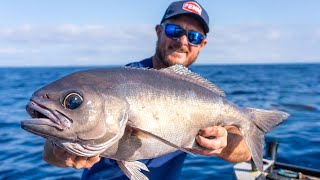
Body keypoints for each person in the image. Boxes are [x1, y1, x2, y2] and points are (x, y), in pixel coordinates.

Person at [43, 0, 251, 179]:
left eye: (194, 37)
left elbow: (245, 152)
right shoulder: (118, 82)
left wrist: (223, 144)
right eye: (174, 31)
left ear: (202, 44)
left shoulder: (202, 97)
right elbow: (49, 155)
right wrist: (63, 151)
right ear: (159, 31)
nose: (182, 41)